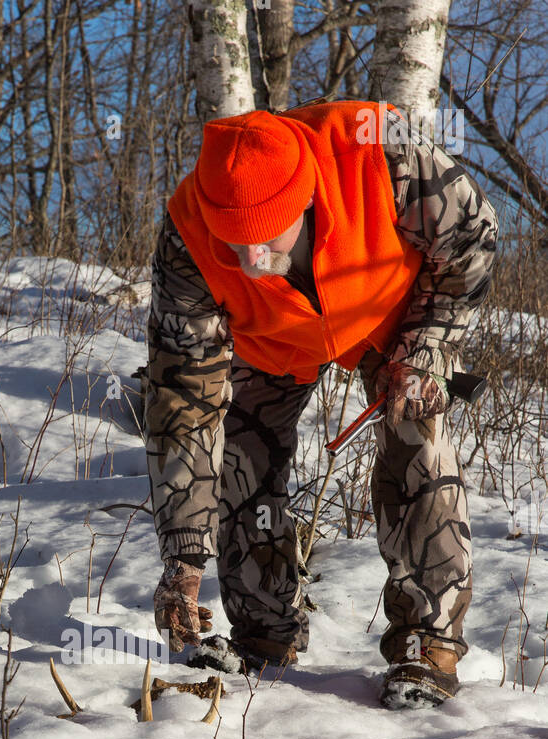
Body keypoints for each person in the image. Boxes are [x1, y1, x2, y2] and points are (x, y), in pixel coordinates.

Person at [144, 99, 498, 707]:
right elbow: (184, 398)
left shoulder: (383, 153)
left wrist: (425, 348)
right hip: (274, 339)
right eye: (234, 245)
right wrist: (182, 555)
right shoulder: (186, 236)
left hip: (392, 315)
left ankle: (426, 641)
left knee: (414, 426)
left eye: (266, 239)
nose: (252, 263)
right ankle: (263, 632)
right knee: (237, 450)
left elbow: (473, 238)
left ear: (304, 201)